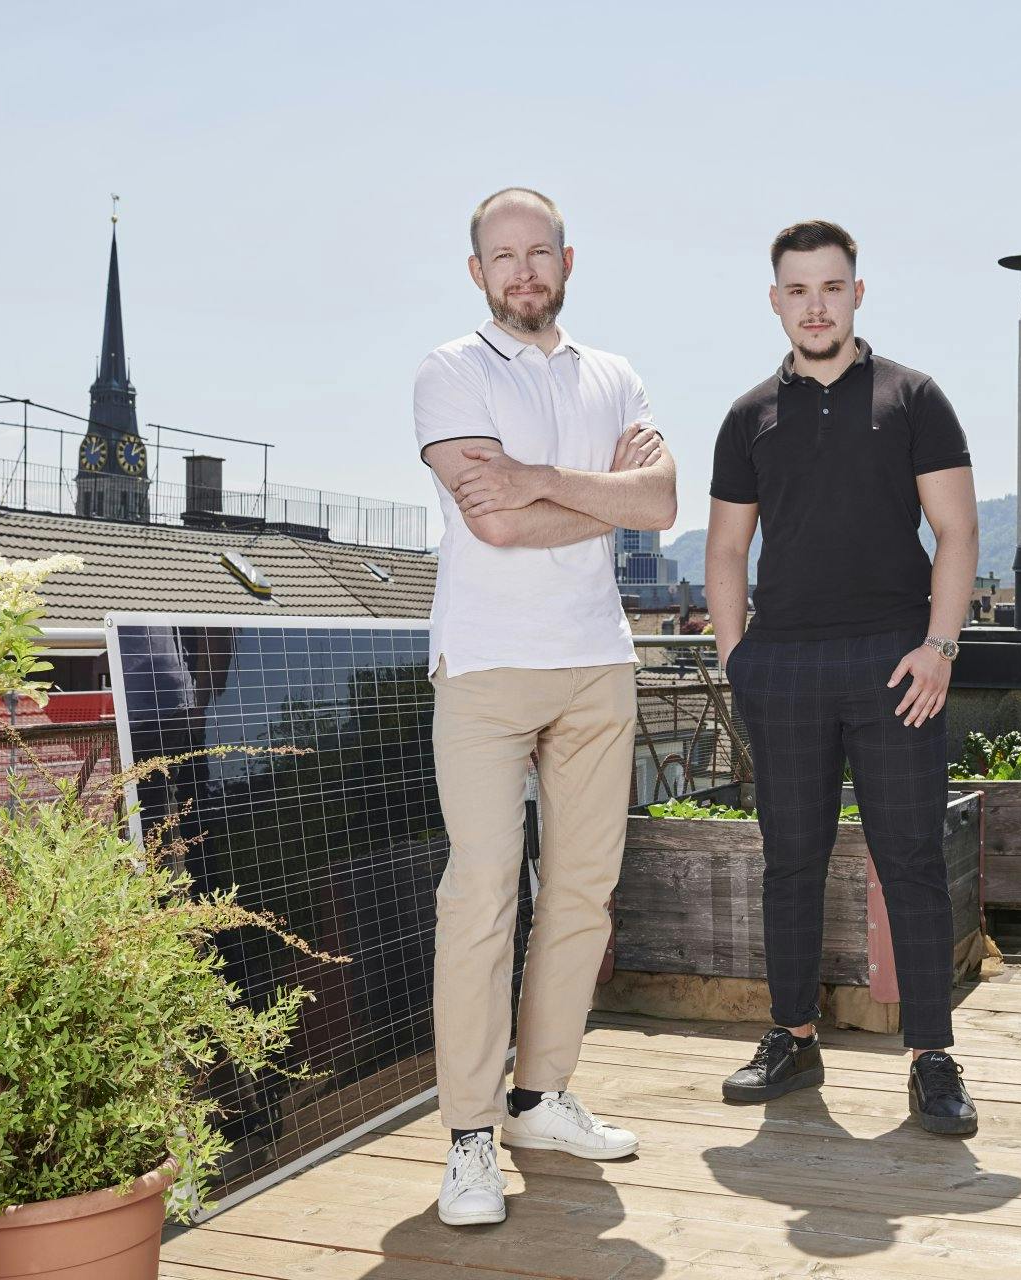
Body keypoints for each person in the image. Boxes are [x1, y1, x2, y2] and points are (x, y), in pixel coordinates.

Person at [413, 187, 678, 1226]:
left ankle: (538, 1096)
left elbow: (659, 505)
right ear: (477, 271)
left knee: (581, 894)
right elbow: (495, 527)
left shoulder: (615, 375)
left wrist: (536, 479)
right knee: (479, 897)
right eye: (502, 255)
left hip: (596, 664)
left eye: (539, 252)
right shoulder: (449, 370)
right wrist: (587, 496)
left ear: (568, 260)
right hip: (483, 667)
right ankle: (470, 1135)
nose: (523, 270)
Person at [704, 219, 981, 1137]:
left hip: (895, 662)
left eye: (831, 287)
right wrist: (738, 659)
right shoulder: (748, 417)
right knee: (790, 861)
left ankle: (932, 1057)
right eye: (797, 289)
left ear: (857, 293)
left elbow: (957, 534)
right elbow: (726, 549)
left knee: (909, 860)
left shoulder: (914, 397)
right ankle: (792, 1037)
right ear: (775, 300)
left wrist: (939, 647)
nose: (814, 304)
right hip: (782, 666)